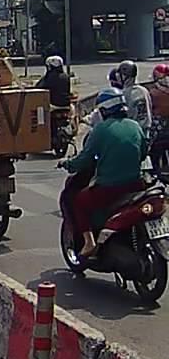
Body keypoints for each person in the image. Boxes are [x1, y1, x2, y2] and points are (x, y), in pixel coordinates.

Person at [61, 87, 147, 256]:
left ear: (105, 110)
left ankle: (89, 242)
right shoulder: (135, 126)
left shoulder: (100, 130)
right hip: (135, 185)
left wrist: (68, 164)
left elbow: (84, 160)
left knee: (79, 201)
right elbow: (143, 152)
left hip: (109, 188)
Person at [114, 60, 152, 135]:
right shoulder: (144, 90)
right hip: (147, 130)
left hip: (132, 132)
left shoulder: (124, 94)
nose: (117, 78)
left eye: (119, 75)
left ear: (124, 76)